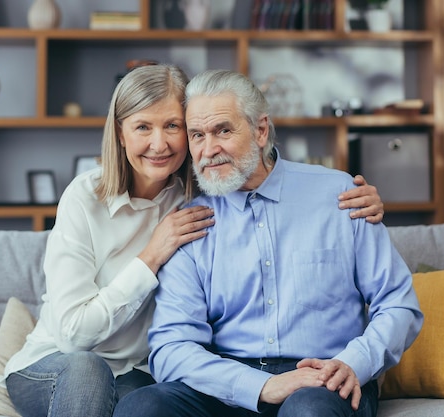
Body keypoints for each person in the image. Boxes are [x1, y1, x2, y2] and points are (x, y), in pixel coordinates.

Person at [0, 64, 385, 417]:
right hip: (66, 359)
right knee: (92, 372)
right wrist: (152, 255)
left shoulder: (202, 194)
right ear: (119, 132)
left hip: (137, 368)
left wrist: (354, 196)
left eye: (173, 126)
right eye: (142, 127)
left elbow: (261, 180)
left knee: (142, 401)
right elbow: (74, 336)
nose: (159, 143)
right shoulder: (86, 198)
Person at [113, 70, 423, 417]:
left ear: (261, 131)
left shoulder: (342, 197)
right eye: (197, 135)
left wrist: (353, 362)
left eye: (223, 131)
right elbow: (171, 348)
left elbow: (398, 304)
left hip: (324, 379)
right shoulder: (188, 223)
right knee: (142, 407)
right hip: (229, 382)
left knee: (308, 411)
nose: (208, 149)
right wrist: (259, 386)